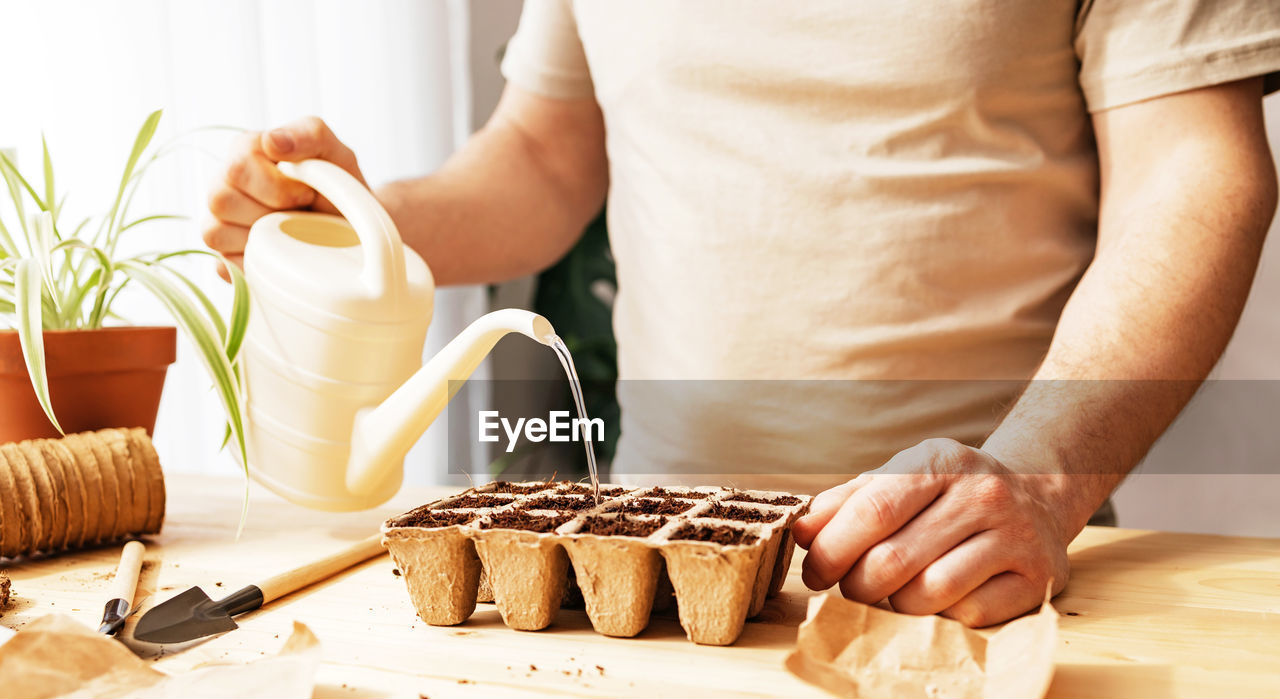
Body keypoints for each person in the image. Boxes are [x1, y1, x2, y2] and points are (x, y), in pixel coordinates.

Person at [204, 1, 1280, 626]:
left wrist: (1042, 480)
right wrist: (353, 225)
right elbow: (540, 162)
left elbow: (1191, 174)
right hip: (657, 582)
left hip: (972, 576)